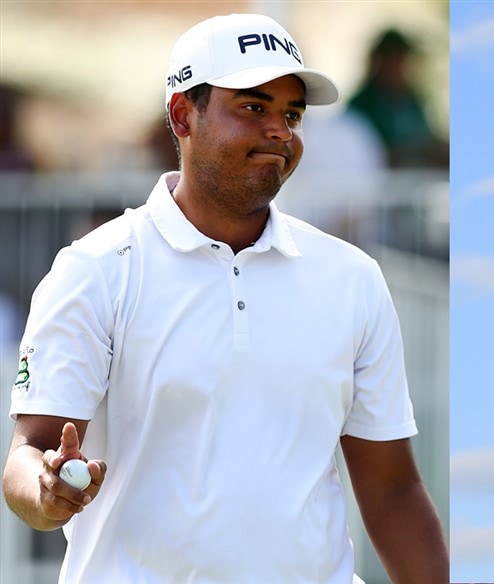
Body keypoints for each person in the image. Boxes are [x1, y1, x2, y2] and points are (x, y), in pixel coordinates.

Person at [2, 13, 447, 583]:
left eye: (292, 114)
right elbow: (27, 457)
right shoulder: (95, 270)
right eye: (254, 108)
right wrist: (46, 489)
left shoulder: (352, 278)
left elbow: (392, 490)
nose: (280, 131)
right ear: (183, 115)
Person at [346, 28, 448, 168]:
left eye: (402, 59)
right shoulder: (361, 105)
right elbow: (362, 152)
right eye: (393, 59)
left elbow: (426, 137)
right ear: (378, 61)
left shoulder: (412, 101)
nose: (399, 66)